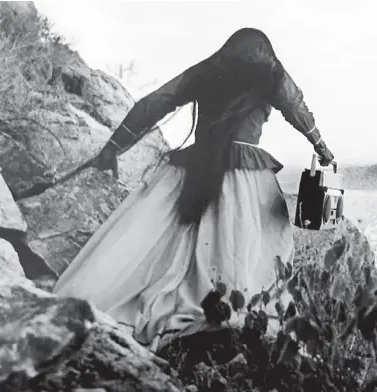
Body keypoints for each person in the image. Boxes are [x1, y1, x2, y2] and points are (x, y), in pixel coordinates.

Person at [53, 28, 335, 352]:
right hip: (245, 177)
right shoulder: (271, 72)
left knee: (162, 246)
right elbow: (296, 108)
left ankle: (194, 308)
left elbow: (154, 102)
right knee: (249, 251)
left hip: (193, 169)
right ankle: (229, 316)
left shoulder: (209, 69)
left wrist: (114, 146)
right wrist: (322, 148)